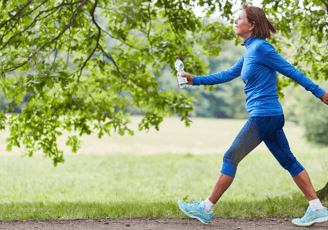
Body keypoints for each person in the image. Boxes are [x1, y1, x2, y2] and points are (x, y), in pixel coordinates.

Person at [177, 2, 328, 227]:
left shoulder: (261, 48)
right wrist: (194, 80)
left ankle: (206, 209)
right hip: (269, 116)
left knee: (230, 157)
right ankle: (317, 208)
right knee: (288, 160)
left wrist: (319, 92)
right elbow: (228, 74)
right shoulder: (250, 50)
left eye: (240, 18)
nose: (235, 21)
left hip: (264, 116)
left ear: (252, 24)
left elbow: (290, 70)